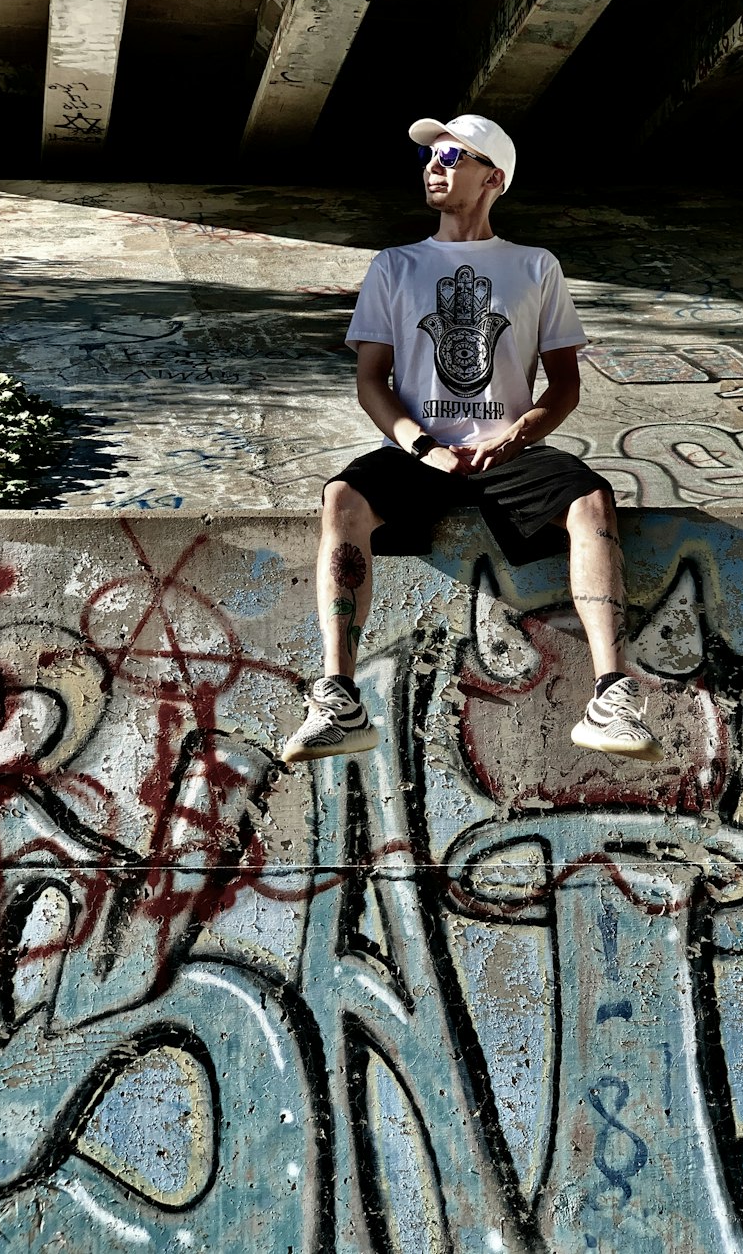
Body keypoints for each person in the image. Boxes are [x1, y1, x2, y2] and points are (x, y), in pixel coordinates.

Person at [281, 113, 661, 765]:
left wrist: (516, 436)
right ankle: (339, 697)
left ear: (494, 176)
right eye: (430, 153)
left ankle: (610, 695)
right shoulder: (395, 265)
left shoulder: (535, 266)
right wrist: (420, 444)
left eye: (452, 153)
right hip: (421, 453)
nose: (434, 162)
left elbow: (564, 387)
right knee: (342, 497)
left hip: (509, 451)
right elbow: (371, 381)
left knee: (592, 500)